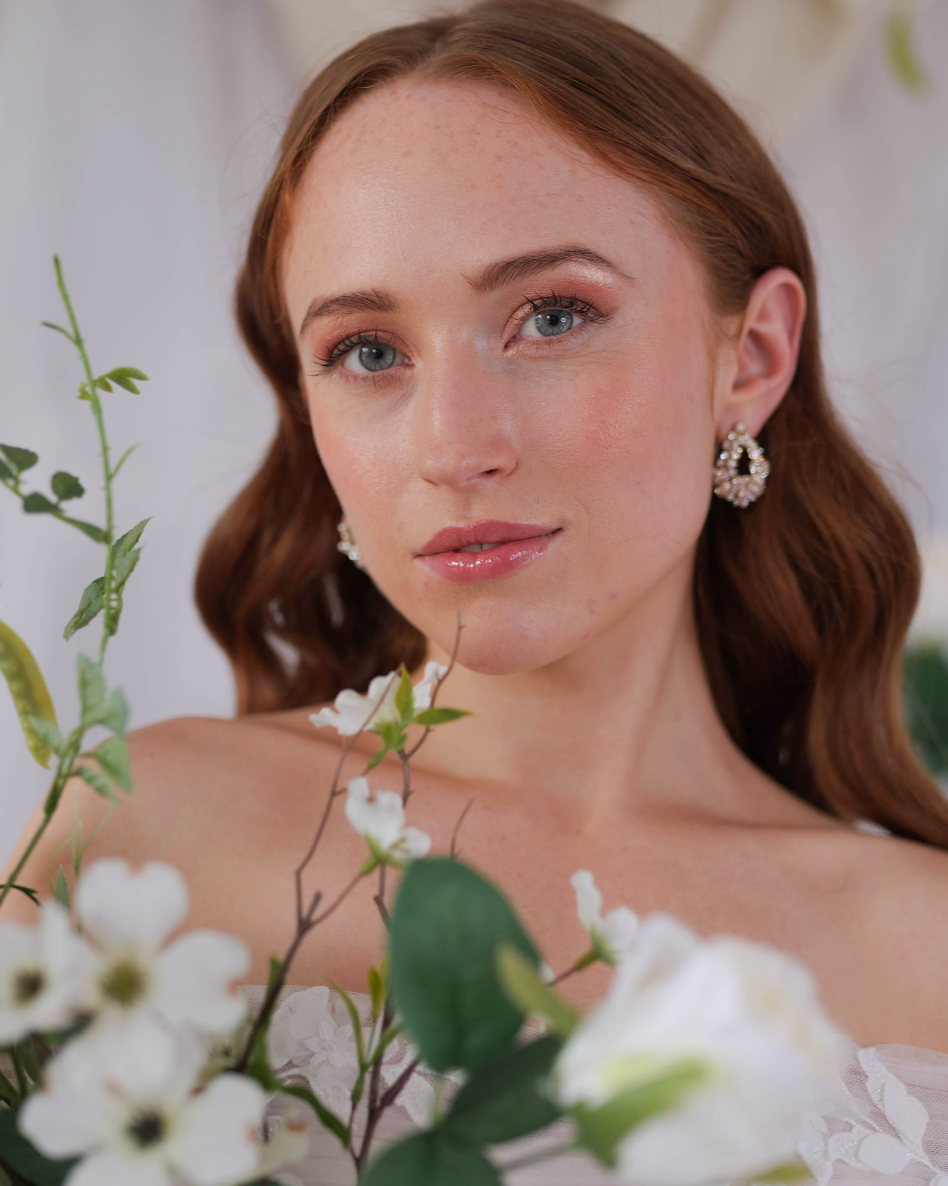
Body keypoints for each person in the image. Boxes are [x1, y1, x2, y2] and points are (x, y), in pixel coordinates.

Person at [7, 0, 948, 1179]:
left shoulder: (930, 950)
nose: (456, 444)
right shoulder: (150, 833)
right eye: (369, 351)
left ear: (749, 356)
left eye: (552, 317)